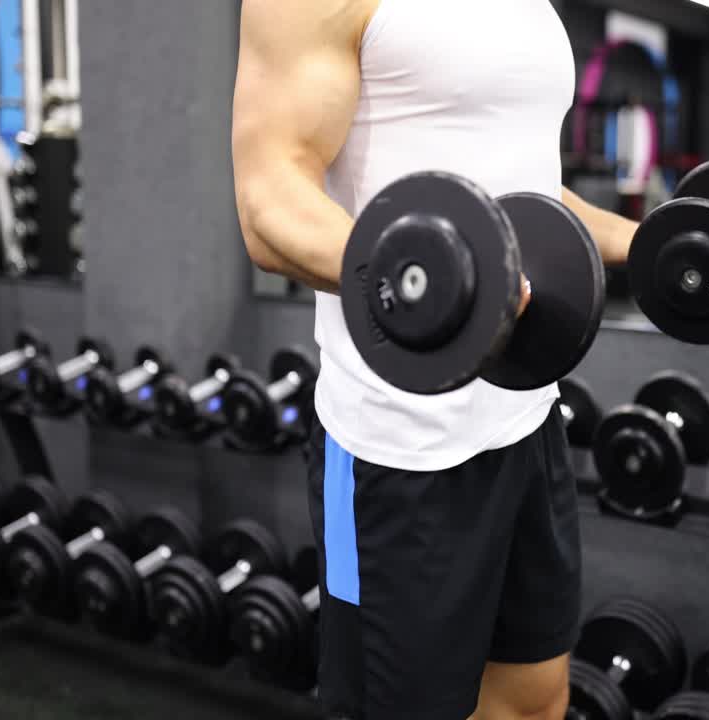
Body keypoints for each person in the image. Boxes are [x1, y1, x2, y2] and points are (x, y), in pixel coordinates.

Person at [230, 2, 639, 718]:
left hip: (525, 416)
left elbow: (522, 188)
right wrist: (438, 285)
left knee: (534, 699)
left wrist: (652, 245)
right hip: (395, 447)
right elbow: (271, 200)